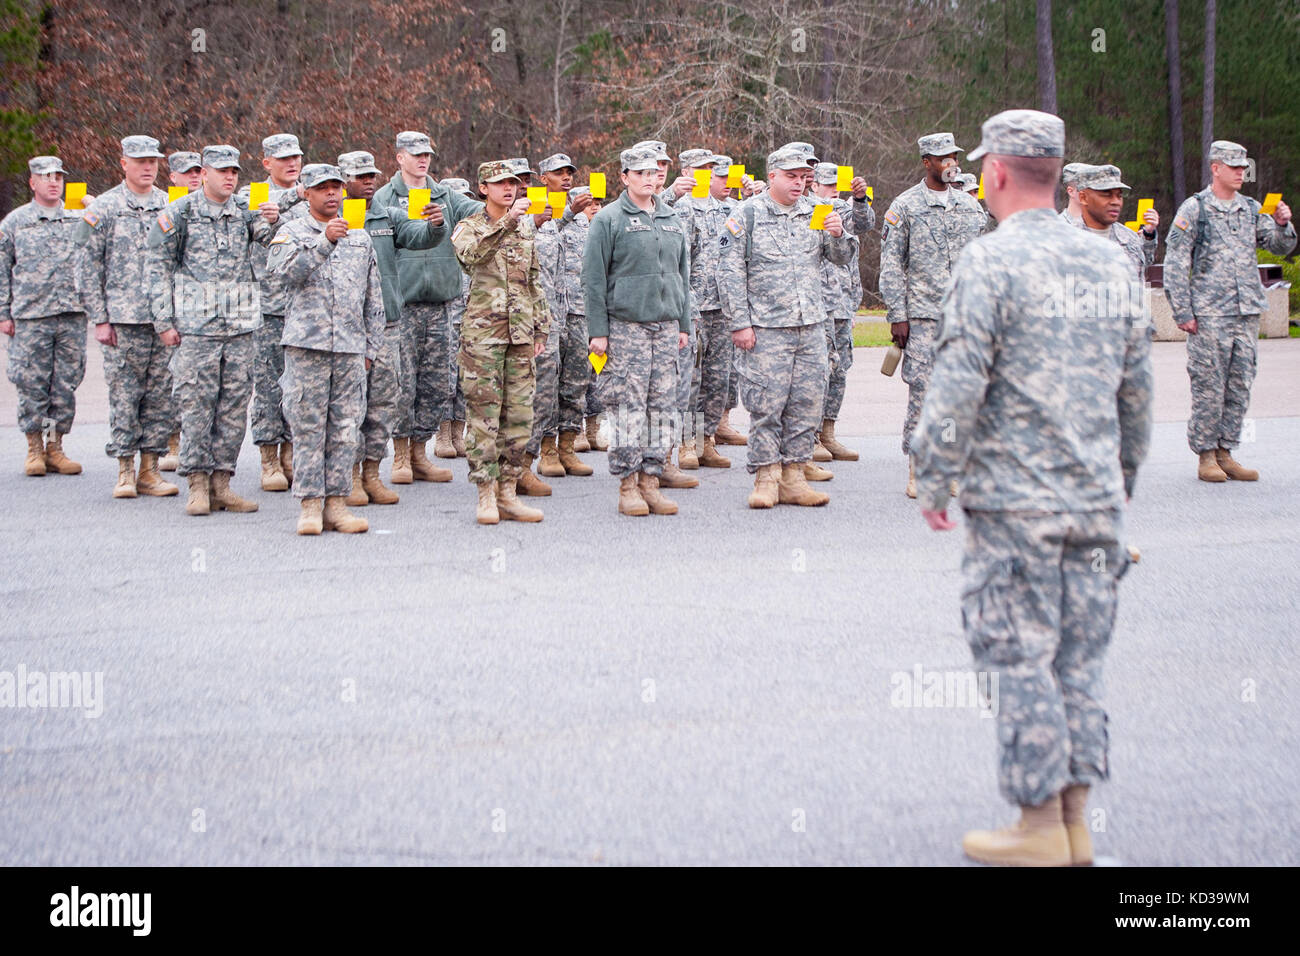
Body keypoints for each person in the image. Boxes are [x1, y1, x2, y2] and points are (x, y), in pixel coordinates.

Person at [911, 108, 1153, 867]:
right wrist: (1119, 484)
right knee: (1079, 661)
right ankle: (1077, 824)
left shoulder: (990, 262)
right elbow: (1138, 393)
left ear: (997, 173)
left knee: (1018, 657)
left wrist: (935, 478)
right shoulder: (1112, 262)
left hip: (1017, 505)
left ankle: (1040, 825)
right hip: (1092, 503)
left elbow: (955, 385)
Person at [716, 146, 854, 509]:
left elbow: (839, 259)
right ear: (772, 175)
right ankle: (766, 476)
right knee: (767, 404)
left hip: (810, 325)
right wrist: (739, 323)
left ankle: (794, 476)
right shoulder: (747, 213)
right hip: (766, 327)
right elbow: (729, 271)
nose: (799, 182)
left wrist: (839, 235)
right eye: (791, 176)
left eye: (803, 176)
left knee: (806, 403)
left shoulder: (817, 210)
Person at [148, 144, 280, 517]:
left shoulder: (243, 210)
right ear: (203, 173)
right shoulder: (181, 212)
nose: (229, 177)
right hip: (197, 329)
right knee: (196, 407)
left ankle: (223, 483)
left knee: (233, 409)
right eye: (221, 171)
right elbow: (157, 267)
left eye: (234, 172)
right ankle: (197, 485)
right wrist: (163, 321)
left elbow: (271, 242)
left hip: (240, 328)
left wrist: (274, 219)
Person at [1164, 140, 1295, 483]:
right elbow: (1176, 263)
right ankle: (1206, 454)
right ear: (1215, 168)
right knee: (1209, 385)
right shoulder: (1194, 210)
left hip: (1246, 313)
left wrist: (1283, 224)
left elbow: (1280, 246)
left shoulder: (1251, 209)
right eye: (1234, 166)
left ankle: (1226, 451)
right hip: (1209, 314)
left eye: (1243, 167)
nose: (1240, 172)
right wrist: (1183, 310)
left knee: (1240, 384)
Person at [267, 163, 385, 535]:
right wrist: (325, 242)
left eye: (336, 187)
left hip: (350, 349)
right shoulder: (291, 231)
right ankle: (309, 504)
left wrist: (371, 346)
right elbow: (284, 274)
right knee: (308, 428)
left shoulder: (361, 237)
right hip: (307, 347)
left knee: (346, 429)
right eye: (323, 188)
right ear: (306, 192)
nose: (332, 194)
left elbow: (373, 297)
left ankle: (337, 503)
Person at [582, 145, 691, 516]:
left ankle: (651, 480)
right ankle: (628, 484)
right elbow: (593, 278)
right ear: (624, 177)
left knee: (662, 406)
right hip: (625, 327)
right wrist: (598, 330)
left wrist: (683, 324)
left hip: (665, 326)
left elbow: (681, 275)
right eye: (640, 173)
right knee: (628, 407)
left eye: (654, 172)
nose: (649, 178)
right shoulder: (609, 219)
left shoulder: (672, 218)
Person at [879, 131, 987, 498]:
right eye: (943, 158)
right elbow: (892, 263)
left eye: (954, 157)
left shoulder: (971, 207)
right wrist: (898, 314)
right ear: (927, 162)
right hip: (923, 315)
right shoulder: (906, 205)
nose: (950, 164)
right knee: (924, 394)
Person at [77, 134, 178, 499]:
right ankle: (124, 469)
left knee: (160, 397)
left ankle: (150, 469)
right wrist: (99, 318)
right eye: (140, 161)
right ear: (123, 164)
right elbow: (86, 266)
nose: (148, 167)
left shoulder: (171, 206)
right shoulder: (102, 209)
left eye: (153, 161)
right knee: (124, 395)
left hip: (163, 321)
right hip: (122, 319)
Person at [339, 150, 443, 507]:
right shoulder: (331, 218)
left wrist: (434, 225)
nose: (368, 182)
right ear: (343, 181)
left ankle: (372, 473)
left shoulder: (387, 215)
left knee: (383, 402)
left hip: (386, 324)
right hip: (348, 326)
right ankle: (349, 476)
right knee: (350, 404)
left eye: (371, 176)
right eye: (359, 177)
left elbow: (418, 236)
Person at [450, 161, 550, 525]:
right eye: (501, 183)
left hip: (520, 335)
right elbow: (471, 257)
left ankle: (508, 490)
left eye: (513, 183)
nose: (510, 189)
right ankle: (485, 493)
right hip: (484, 338)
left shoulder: (524, 228)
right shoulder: (469, 227)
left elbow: (533, 280)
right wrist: (505, 223)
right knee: (484, 417)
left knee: (520, 417)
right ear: (483, 188)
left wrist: (541, 328)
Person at [372, 131, 472, 485]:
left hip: (443, 302)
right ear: (399, 157)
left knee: (436, 383)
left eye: (427, 154)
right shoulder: (383, 198)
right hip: (405, 305)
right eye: (415, 154)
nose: (423, 159)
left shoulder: (445, 194)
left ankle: (420, 451)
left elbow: (475, 211)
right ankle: (400, 454)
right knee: (402, 382)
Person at [1, 156, 88, 477]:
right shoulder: (15, 222)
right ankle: (34, 448)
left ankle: (55, 446)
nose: (53, 182)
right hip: (30, 315)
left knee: (64, 384)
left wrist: (92, 205)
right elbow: (1, 270)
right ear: (32, 182)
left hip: (71, 315)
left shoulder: (79, 218)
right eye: (46, 176)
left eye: (58, 176)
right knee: (31, 382)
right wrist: (2, 312)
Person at [238, 133, 307, 492]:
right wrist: (284, 204)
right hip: (267, 306)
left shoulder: (310, 194)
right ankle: (269, 457)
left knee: (299, 387)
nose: (291, 164)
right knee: (267, 387)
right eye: (282, 159)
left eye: (295, 157)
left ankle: (293, 452)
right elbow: (256, 231)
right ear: (266, 163)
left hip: (304, 306)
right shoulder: (256, 195)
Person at [527, 153, 598, 484]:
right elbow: (538, 237)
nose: (566, 177)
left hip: (579, 308)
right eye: (559, 173)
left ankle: (568, 444)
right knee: (545, 383)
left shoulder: (582, 211)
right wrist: (567, 213)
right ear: (544, 177)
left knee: (577, 379)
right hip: (547, 312)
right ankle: (547, 449)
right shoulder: (533, 206)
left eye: (570, 171)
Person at [673, 148, 737, 470]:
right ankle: (687, 442)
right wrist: (687, 307)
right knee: (691, 380)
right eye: (700, 168)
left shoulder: (725, 209)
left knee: (718, 379)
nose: (707, 173)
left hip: (722, 307)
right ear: (686, 171)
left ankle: (707, 440)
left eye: (710, 168)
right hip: (694, 307)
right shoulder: (681, 210)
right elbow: (678, 264)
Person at [808, 160, 875, 462]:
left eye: (839, 185)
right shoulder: (808, 210)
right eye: (828, 185)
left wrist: (859, 199)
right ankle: (809, 436)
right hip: (818, 302)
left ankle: (828, 432)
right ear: (814, 185)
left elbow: (865, 223)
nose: (834, 190)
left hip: (843, 303)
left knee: (840, 370)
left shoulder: (845, 211)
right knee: (819, 370)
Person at [441, 176, 476, 460]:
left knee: (466, 375)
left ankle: (458, 432)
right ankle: (442, 433)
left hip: (471, 312)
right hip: (447, 311)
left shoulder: (474, 234)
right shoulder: (436, 233)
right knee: (445, 376)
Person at [1072, 164, 1158, 278]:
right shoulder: (1066, 240)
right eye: (1106, 195)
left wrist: (1148, 235)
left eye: (1119, 196)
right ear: (1083, 198)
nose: (1115, 202)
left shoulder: (1130, 240)